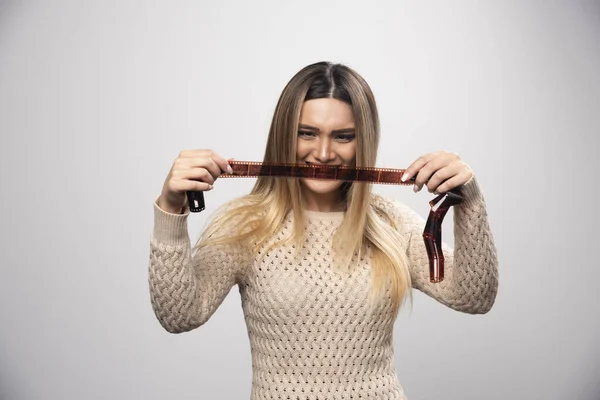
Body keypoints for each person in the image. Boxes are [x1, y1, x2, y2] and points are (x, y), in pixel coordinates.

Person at [148, 61, 499, 399]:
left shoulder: (391, 224)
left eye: (343, 136)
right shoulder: (246, 226)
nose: (324, 153)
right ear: (285, 136)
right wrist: (170, 209)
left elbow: (473, 297)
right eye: (307, 133)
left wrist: (469, 200)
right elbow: (180, 315)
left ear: (364, 142)